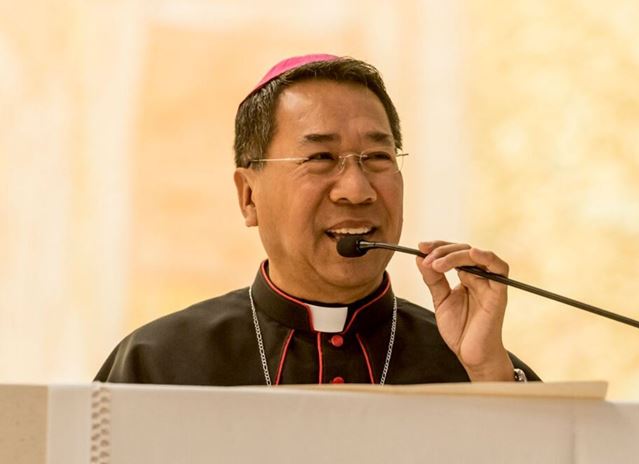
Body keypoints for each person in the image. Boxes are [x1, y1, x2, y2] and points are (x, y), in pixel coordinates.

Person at [95, 54, 538, 385]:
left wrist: (487, 375)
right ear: (249, 196)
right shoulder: (157, 364)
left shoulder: (479, 365)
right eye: (321, 157)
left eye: (378, 157)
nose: (357, 190)